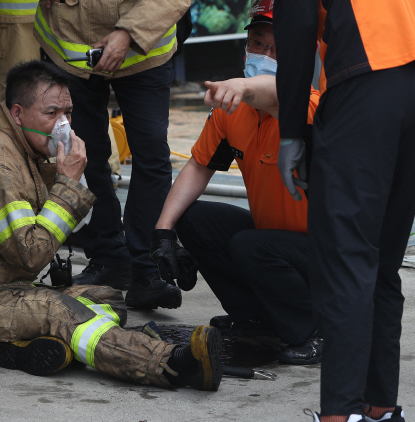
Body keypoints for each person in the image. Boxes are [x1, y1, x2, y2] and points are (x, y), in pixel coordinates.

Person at [0, 60, 224, 392]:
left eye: (68, 112)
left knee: (108, 298)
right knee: (60, 311)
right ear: (17, 114)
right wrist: (67, 186)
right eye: (51, 113)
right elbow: (30, 257)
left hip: (0, 288)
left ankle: (24, 346)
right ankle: (172, 364)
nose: (63, 123)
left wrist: (63, 178)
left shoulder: (23, 151)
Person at [149, 3, 322, 365]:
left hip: (328, 256)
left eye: (278, 49)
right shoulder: (232, 113)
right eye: (258, 44)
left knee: (251, 246)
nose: (265, 55)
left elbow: (276, 96)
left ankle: (316, 331)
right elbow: (199, 166)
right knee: (194, 219)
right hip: (273, 241)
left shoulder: (312, 107)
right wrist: (164, 232)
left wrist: (241, 85)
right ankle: (257, 319)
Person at [273, 0, 415, 421]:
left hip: (365, 82)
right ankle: (378, 409)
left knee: (347, 260)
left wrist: (292, 131)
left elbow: (297, 29)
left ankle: (341, 414)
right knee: (382, 263)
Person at [34, 0, 190, 310]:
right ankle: (108, 257)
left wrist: (130, 32)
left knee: (151, 154)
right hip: (70, 48)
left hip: (146, 50)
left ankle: (148, 269)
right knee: (80, 153)